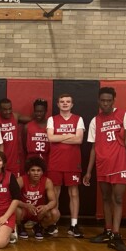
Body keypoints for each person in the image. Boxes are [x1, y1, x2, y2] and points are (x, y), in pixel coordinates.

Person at [83, 87, 126, 251]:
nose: (105, 103)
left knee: (117, 199)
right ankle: (108, 230)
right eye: (102, 100)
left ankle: (116, 236)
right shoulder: (94, 121)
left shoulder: (124, 115)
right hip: (102, 164)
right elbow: (92, 148)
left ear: (114, 101)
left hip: (120, 164)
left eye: (108, 100)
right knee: (105, 198)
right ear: (98, 101)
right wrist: (89, 171)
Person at [46, 94, 85, 238]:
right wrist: (69, 134)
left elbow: (79, 139)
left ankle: (73, 225)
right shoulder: (52, 119)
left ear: (72, 104)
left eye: (68, 101)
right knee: (55, 193)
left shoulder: (78, 119)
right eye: (62, 102)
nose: (65, 104)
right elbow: (51, 138)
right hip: (55, 162)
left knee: (73, 193)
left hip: (72, 162)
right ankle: (53, 223)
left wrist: (59, 136)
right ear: (57, 104)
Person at [16, 156, 60, 241]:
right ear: (28, 172)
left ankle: (39, 227)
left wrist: (46, 207)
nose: (36, 173)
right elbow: (12, 199)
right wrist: (26, 205)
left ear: (42, 172)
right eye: (33, 170)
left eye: (38, 170)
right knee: (14, 209)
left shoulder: (47, 181)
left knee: (55, 213)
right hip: (24, 210)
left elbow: (53, 201)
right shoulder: (21, 180)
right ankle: (20, 226)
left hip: (39, 212)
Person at [0, 98, 23, 175]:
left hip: (13, 161)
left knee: (14, 185)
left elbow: (33, 119)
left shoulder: (15, 116)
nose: (8, 112)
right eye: (5, 109)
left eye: (10, 109)